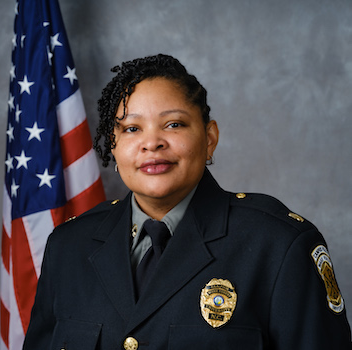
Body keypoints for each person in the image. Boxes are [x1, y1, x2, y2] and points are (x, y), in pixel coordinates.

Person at [23, 54, 352, 349]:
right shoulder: (68, 246)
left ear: (209, 139)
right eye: (132, 128)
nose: (152, 143)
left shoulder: (279, 245)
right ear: (114, 147)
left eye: (174, 124)